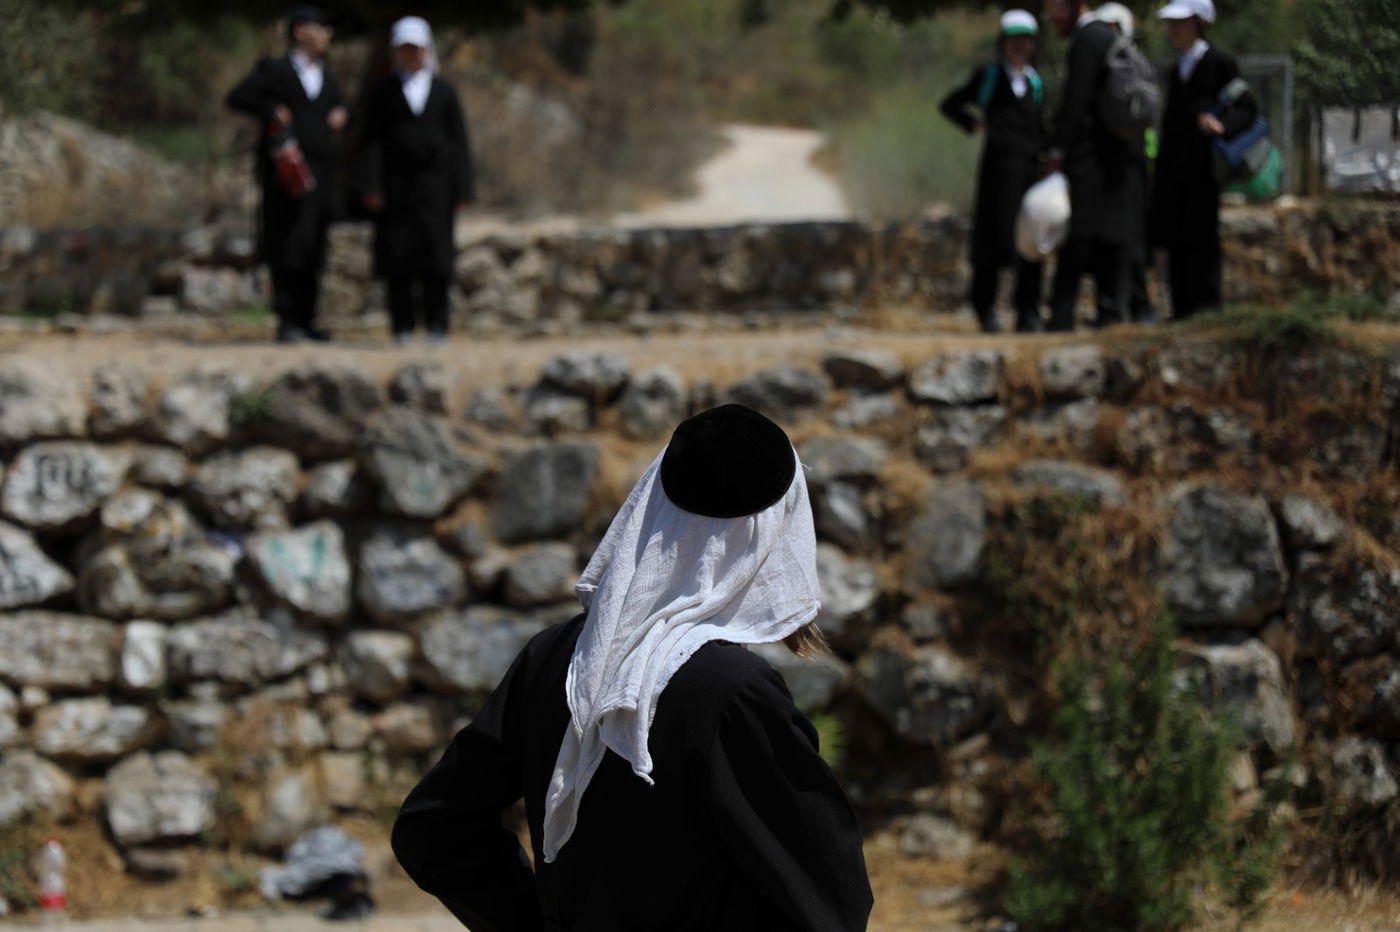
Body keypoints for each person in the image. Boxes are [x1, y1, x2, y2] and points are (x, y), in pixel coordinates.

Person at [392, 404, 874, 932]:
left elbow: (434, 827)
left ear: (651, 506)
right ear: (776, 534)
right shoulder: (734, 694)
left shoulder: (554, 658)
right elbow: (830, 901)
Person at [227, 5, 346, 343]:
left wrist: (340, 113)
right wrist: (271, 110)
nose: (327, 35)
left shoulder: (328, 76)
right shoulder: (274, 70)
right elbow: (237, 97)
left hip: (321, 174)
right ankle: (287, 319)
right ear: (300, 32)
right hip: (285, 174)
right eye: (321, 28)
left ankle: (308, 319)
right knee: (286, 243)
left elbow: (340, 105)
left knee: (314, 245)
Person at [357, 16, 474, 346]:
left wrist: (463, 188)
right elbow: (371, 141)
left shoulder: (444, 91)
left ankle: (438, 324)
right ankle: (402, 326)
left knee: (437, 258)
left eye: (416, 48)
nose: (411, 55)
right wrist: (372, 185)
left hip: (436, 187)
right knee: (398, 256)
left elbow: (459, 142)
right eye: (405, 49)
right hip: (396, 187)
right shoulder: (383, 92)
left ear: (427, 50)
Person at [939, 10, 1047, 334]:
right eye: (1013, 40)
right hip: (998, 172)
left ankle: (1028, 311)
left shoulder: (1035, 82)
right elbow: (950, 104)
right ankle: (984, 308)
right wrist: (975, 125)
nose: (1019, 46)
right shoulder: (988, 75)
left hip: (1029, 172)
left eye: (1025, 40)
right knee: (991, 240)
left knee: (1030, 239)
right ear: (1003, 43)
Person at [1149, 0, 1257, 319]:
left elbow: (1247, 107)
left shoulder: (1219, 62)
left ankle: (1208, 307)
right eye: (1172, 23)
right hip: (1174, 169)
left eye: (1181, 23)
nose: (1174, 30)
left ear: (1200, 23)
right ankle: (1181, 308)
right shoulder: (1176, 68)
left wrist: (1222, 126)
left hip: (1203, 169)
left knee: (1203, 238)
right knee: (1176, 239)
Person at [1042, 0, 1145, 331]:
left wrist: (1058, 149)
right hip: (1116, 156)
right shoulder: (1105, 37)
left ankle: (1062, 316)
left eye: (1057, 7)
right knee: (1108, 236)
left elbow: (1076, 100)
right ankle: (1109, 312)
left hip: (1091, 157)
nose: (1051, 16)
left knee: (1080, 236)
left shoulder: (1086, 40)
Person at [1095, 2, 1157, 324]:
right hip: (1124, 163)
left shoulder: (1124, 64)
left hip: (1128, 165)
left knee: (1129, 239)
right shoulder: (1127, 63)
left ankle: (1137, 304)